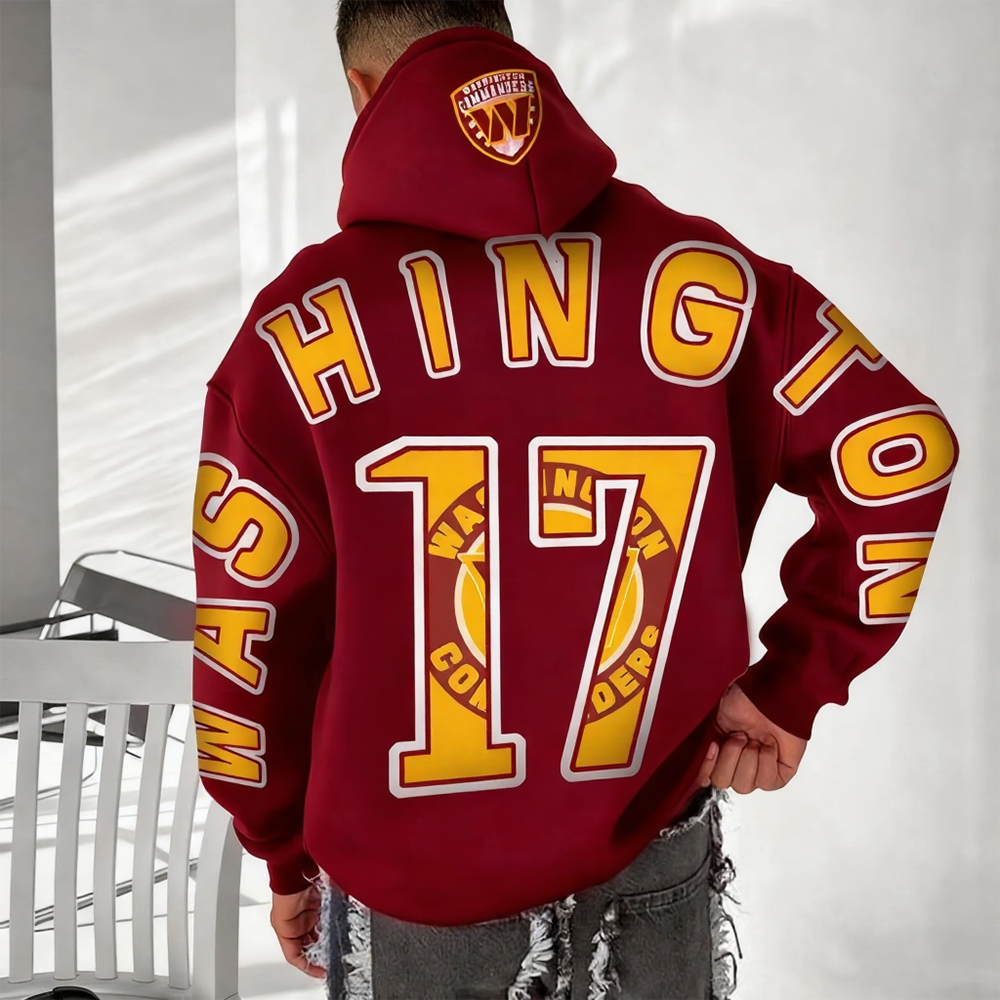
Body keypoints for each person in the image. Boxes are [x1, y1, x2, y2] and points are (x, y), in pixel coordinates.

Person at [190, 1, 958, 997]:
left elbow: (248, 629)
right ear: (506, 56)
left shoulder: (294, 329)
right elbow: (901, 449)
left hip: (411, 885)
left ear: (362, 91)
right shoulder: (708, 278)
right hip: (650, 848)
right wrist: (791, 684)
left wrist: (282, 847)